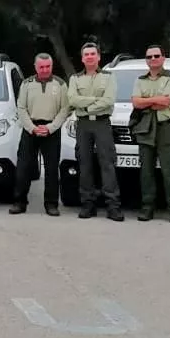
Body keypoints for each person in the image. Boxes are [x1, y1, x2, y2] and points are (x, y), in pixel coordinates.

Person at [67, 42, 123, 221]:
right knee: (84, 163)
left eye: (93, 54)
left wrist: (87, 107)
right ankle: (87, 203)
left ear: (99, 57)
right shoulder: (75, 79)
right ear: (82, 58)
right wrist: (93, 102)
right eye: (86, 54)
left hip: (102, 124)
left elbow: (108, 100)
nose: (89, 57)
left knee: (107, 164)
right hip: (83, 126)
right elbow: (73, 99)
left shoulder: (109, 77)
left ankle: (112, 205)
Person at [11, 53, 69, 216]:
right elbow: (21, 107)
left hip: (51, 129)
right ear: (35, 67)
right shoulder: (27, 84)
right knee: (23, 167)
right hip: (31, 128)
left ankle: (51, 204)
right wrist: (31, 128)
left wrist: (51, 127)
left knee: (51, 169)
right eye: (41, 67)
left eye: (48, 67)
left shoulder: (61, 84)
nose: (45, 70)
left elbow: (65, 109)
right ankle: (19, 202)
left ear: (52, 66)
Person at [132, 46, 170, 223]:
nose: (153, 58)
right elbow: (136, 103)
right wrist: (154, 100)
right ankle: (147, 208)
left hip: (166, 126)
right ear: (146, 60)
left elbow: (166, 102)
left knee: (169, 170)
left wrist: (146, 101)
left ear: (163, 58)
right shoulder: (140, 79)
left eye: (156, 56)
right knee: (146, 171)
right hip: (145, 127)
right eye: (149, 56)